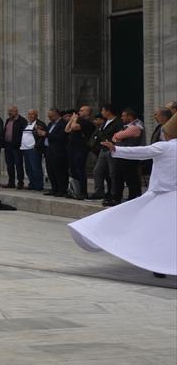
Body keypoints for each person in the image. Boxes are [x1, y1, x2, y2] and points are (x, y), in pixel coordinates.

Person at [68, 112, 176, 278]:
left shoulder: (165, 146)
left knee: (151, 230)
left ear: (169, 133)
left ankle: (158, 265)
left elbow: (142, 152)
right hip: (167, 196)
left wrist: (116, 149)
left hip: (162, 196)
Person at [107, 108, 145, 206]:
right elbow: (114, 137)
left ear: (130, 116)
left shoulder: (135, 127)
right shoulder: (128, 126)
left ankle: (133, 198)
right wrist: (117, 137)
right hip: (122, 155)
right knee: (118, 177)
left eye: (124, 116)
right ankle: (116, 198)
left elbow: (117, 136)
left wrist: (117, 137)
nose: (122, 118)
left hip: (130, 156)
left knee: (130, 178)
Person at [89, 104, 122, 201]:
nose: (102, 112)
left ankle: (113, 193)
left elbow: (117, 136)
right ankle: (99, 191)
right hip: (103, 149)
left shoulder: (118, 122)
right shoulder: (105, 122)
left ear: (109, 111)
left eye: (103, 110)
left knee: (112, 172)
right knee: (97, 171)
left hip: (112, 149)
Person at [65, 106, 95, 199]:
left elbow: (74, 127)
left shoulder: (88, 123)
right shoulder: (77, 121)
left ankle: (83, 192)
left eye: (82, 111)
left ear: (88, 112)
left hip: (81, 149)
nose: (79, 112)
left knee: (80, 169)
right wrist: (72, 120)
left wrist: (74, 119)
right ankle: (75, 190)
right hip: (72, 148)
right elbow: (67, 130)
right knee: (73, 170)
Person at [43, 108, 69, 196]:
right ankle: (54, 188)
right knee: (50, 171)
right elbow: (47, 134)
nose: (49, 118)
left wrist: (46, 134)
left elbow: (61, 137)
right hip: (49, 150)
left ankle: (62, 190)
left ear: (57, 114)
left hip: (58, 151)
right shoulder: (50, 124)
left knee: (59, 171)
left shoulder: (63, 123)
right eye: (48, 116)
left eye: (51, 116)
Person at [2, 105, 27, 188]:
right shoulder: (8, 120)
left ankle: (20, 182)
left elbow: (24, 134)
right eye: (8, 111)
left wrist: (19, 143)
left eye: (11, 111)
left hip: (17, 147)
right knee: (9, 165)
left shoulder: (22, 121)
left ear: (16, 111)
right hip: (8, 146)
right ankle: (11, 182)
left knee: (18, 165)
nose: (9, 113)